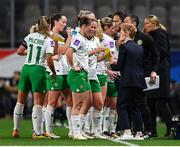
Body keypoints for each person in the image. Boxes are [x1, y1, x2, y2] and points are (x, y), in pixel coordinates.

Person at [12, 16, 56, 139]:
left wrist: (32, 52)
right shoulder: (48, 40)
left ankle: (16, 129)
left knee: (20, 101)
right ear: (49, 26)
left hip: (26, 69)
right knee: (38, 103)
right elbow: (49, 59)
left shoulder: (30, 36)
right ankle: (37, 133)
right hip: (38, 70)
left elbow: (20, 51)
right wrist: (54, 72)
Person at [124, 14, 159, 138]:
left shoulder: (145, 38)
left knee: (141, 103)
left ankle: (149, 130)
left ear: (133, 23)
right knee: (130, 103)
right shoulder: (125, 38)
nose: (124, 23)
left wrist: (154, 71)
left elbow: (156, 55)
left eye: (126, 21)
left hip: (142, 74)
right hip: (129, 75)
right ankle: (136, 130)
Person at [111, 23, 146, 140]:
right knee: (135, 107)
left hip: (127, 81)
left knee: (122, 105)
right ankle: (139, 133)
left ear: (125, 33)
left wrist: (111, 63)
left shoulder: (124, 47)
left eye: (121, 31)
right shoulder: (140, 47)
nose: (119, 33)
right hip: (139, 81)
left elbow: (119, 67)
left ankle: (127, 132)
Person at [66, 17, 98, 140]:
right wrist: (73, 66)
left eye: (95, 27)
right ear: (84, 27)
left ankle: (80, 131)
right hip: (77, 75)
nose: (93, 30)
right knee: (78, 104)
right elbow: (69, 52)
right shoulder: (79, 38)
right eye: (92, 27)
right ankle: (76, 133)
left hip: (84, 74)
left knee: (88, 101)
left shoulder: (83, 38)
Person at [44, 13, 72, 139]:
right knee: (52, 102)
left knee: (70, 101)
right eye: (63, 22)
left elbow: (60, 53)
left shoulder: (59, 37)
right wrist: (70, 38)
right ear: (55, 22)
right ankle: (48, 131)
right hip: (55, 72)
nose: (65, 25)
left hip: (65, 71)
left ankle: (72, 130)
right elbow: (62, 51)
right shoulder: (49, 36)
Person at [143, 15, 172, 138]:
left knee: (161, 102)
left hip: (161, 72)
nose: (145, 26)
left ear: (154, 24)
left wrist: (150, 56)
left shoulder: (160, 34)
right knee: (150, 102)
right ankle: (152, 131)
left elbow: (162, 51)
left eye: (147, 24)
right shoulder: (150, 36)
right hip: (152, 72)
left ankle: (170, 129)